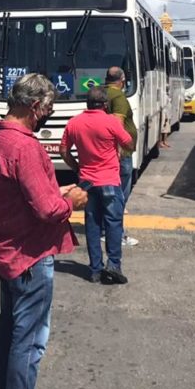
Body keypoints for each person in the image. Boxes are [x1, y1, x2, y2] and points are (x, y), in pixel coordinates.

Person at [0, 73, 88, 389]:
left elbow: (22, 194)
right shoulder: (25, 147)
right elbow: (46, 209)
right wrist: (68, 200)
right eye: (48, 107)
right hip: (30, 255)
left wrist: (55, 192)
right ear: (35, 106)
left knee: (9, 334)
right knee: (28, 343)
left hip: (8, 253)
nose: (49, 113)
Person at [59, 86, 133, 284]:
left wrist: (77, 168)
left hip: (86, 183)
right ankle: (114, 266)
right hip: (109, 181)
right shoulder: (111, 122)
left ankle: (95, 270)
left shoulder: (74, 123)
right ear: (105, 104)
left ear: (87, 103)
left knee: (92, 224)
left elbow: (64, 150)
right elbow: (129, 143)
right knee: (113, 224)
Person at [104, 66, 139, 246]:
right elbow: (116, 127)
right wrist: (118, 151)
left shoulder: (100, 94)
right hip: (120, 154)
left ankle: (107, 229)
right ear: (122, 80)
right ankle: (117, 233)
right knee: (120, 196)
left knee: (108, 194)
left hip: (104, 153)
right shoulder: (118, 97)